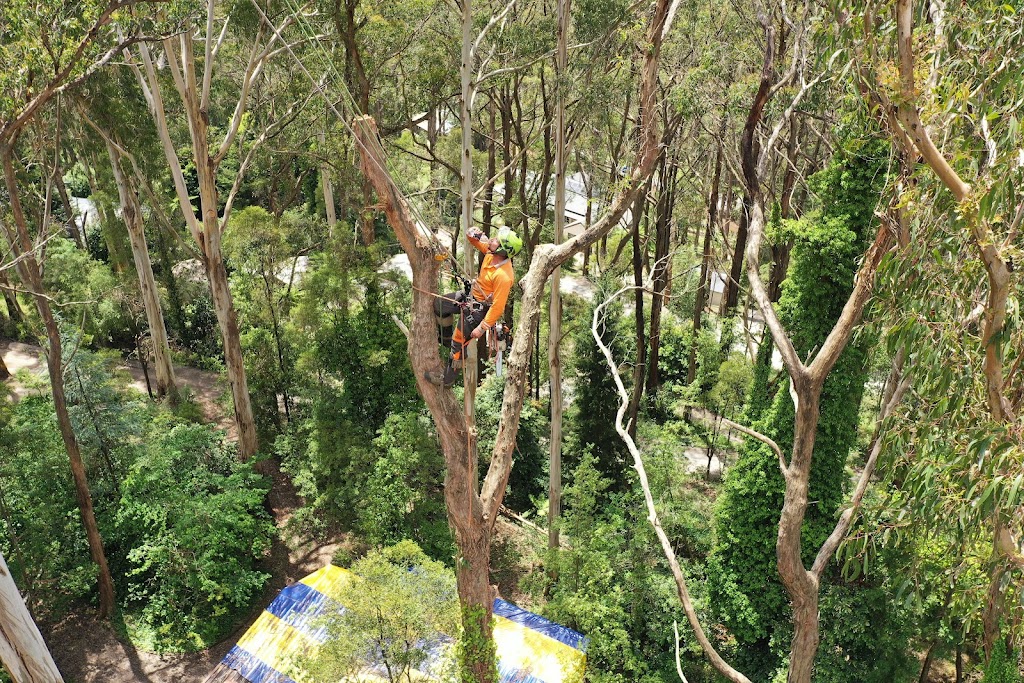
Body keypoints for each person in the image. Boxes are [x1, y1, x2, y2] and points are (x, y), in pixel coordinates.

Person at [425, 226, 522, 387]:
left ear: (503, 250)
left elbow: (497, 307)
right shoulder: (492, 252)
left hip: (478, 311)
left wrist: (482, 328)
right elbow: (474, 239)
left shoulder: (504, 277)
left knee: (459, 345)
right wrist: (473, 232)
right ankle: (446, 338)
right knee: (440, 304)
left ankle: (447, 380)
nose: (493, 240)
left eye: (497, 240)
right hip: (470, 297)